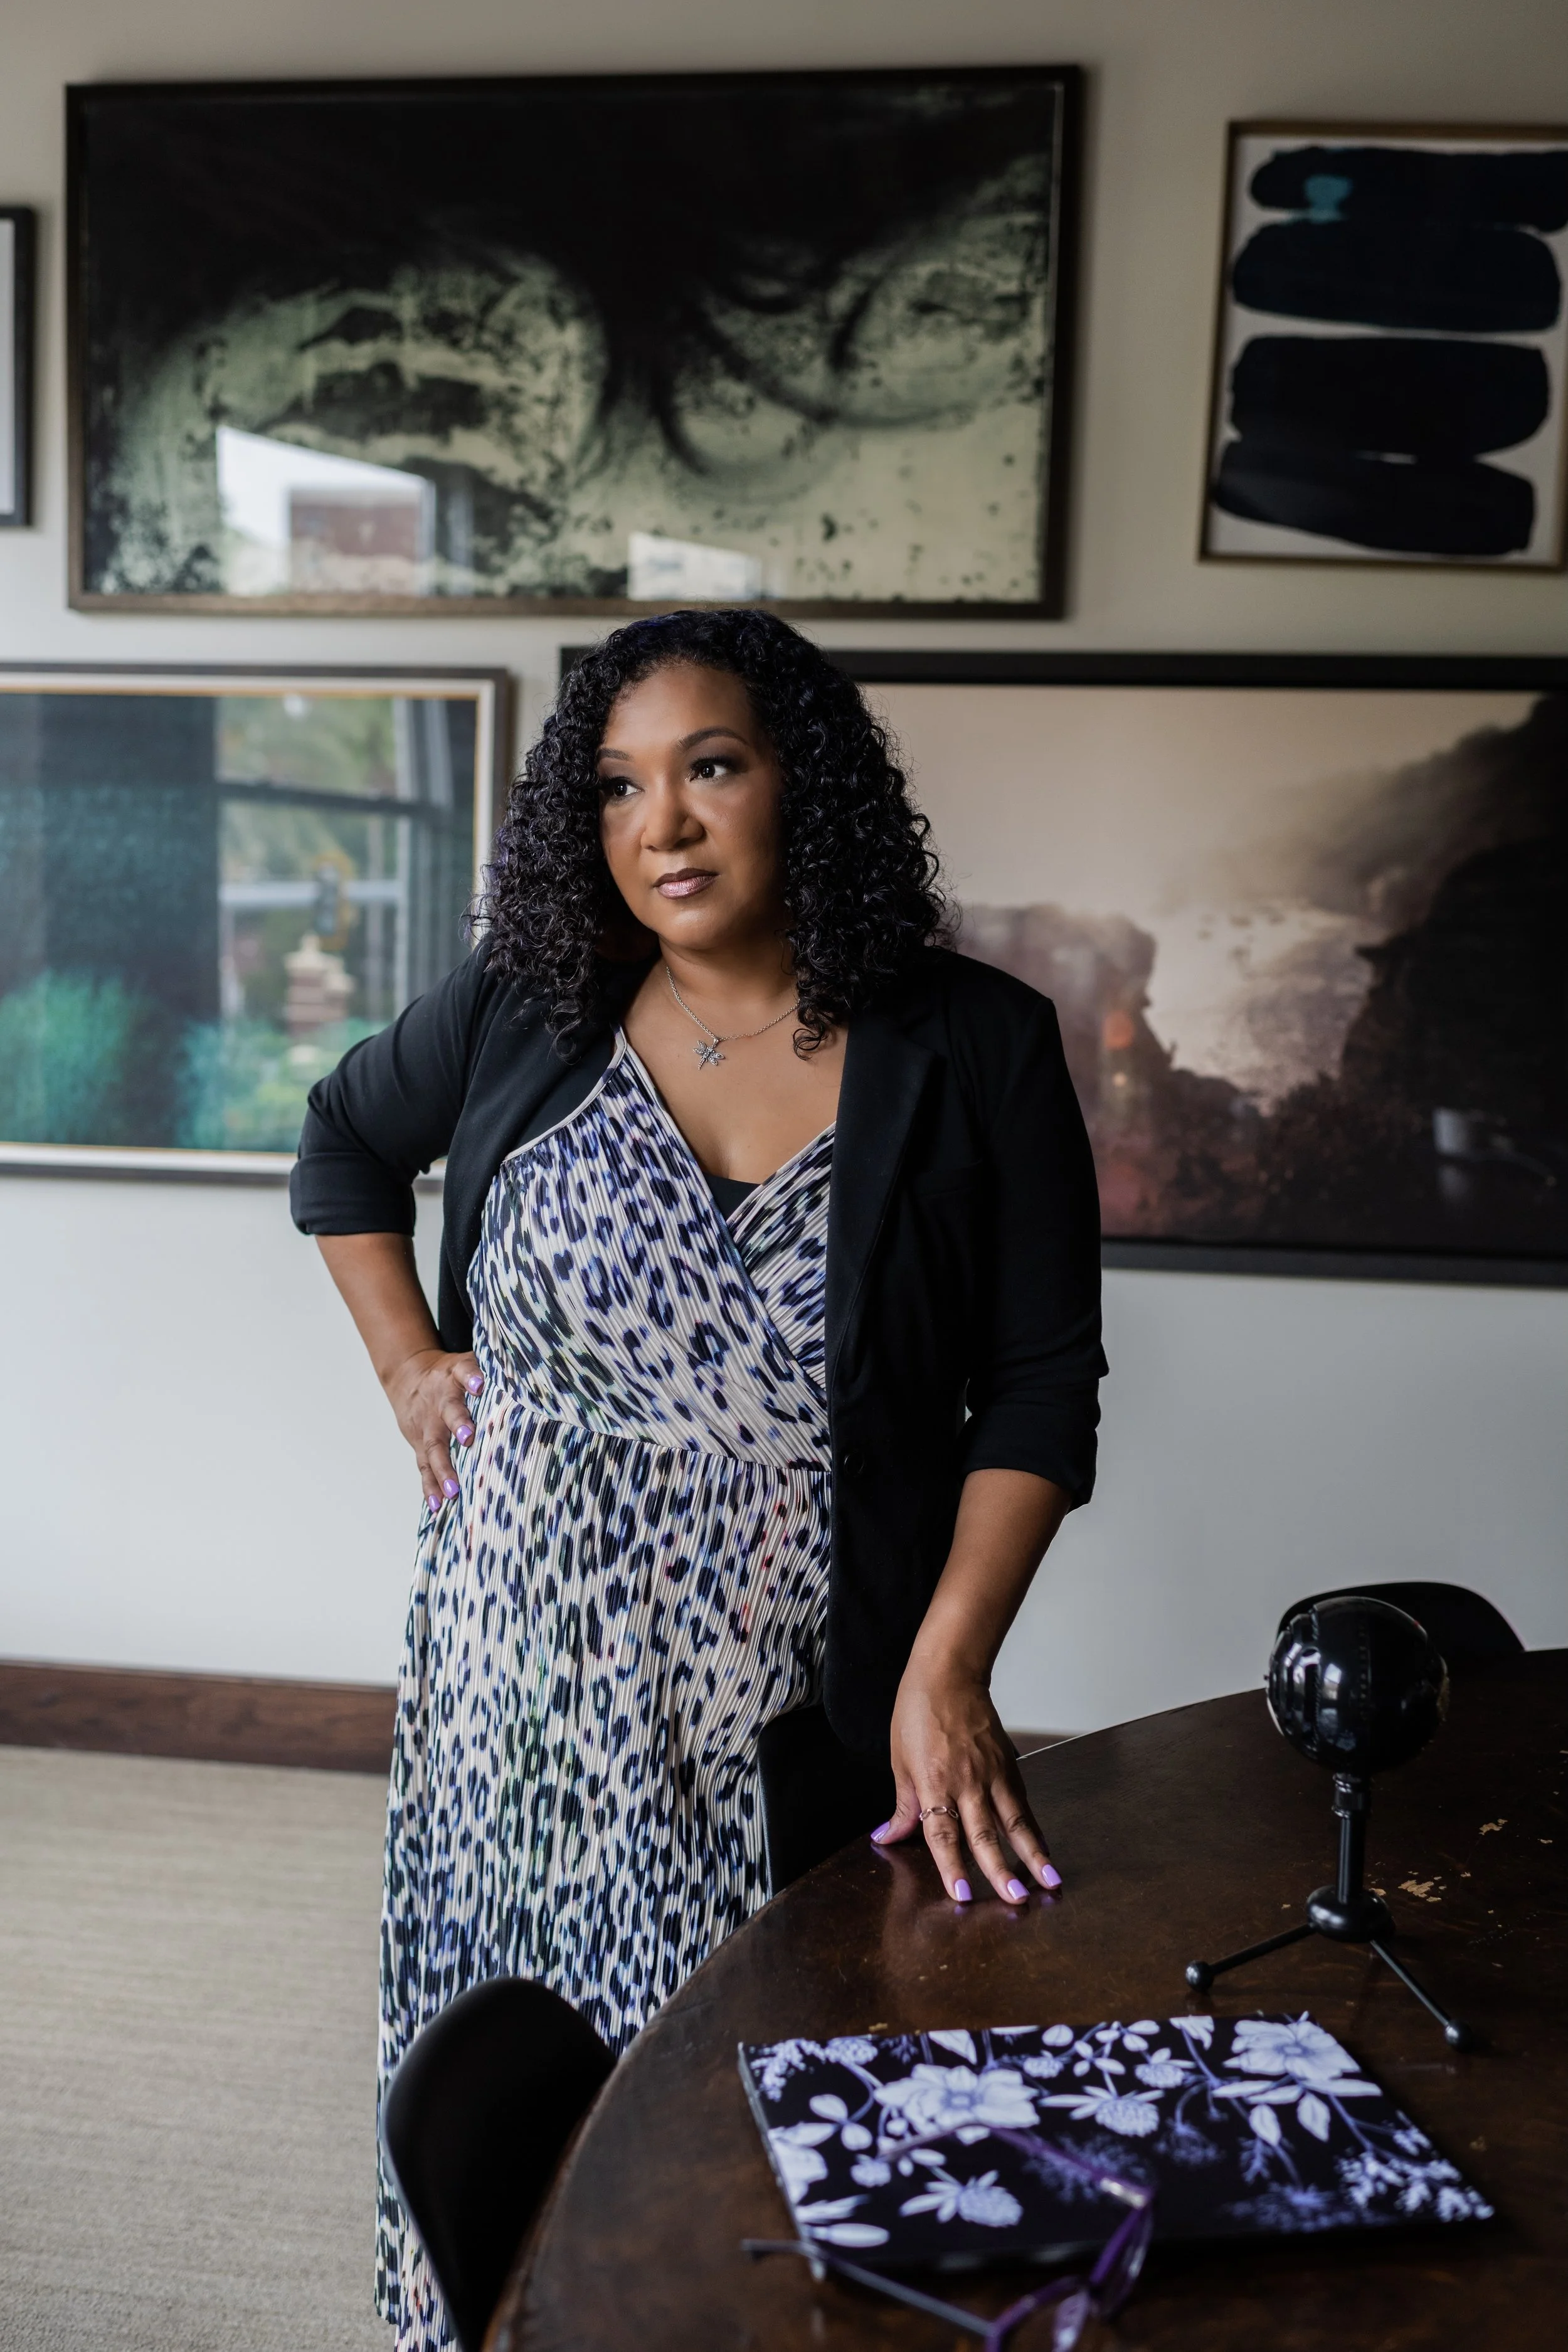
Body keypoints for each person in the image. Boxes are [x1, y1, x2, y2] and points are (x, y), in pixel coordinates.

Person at [291, 609, 1103, 2348]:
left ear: (802, 784)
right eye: (616, 785)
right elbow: (344, 1135)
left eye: (710, 767)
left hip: (799, 1689)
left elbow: (1038, 1389)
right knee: (511, 2090)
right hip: (518, 1673)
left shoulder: (976, 1044)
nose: (660, 824)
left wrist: (946, 1667)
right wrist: (407, 1363)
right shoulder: (528, 1007)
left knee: (772, 2104)